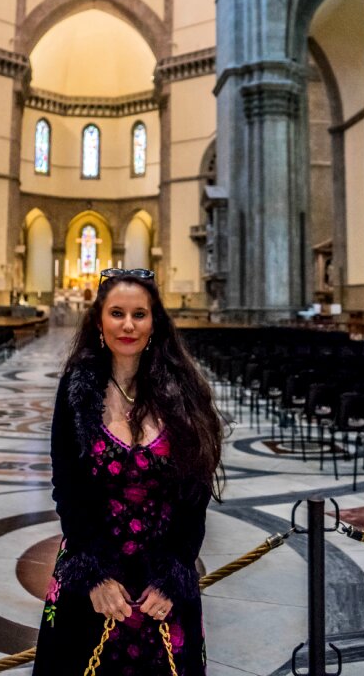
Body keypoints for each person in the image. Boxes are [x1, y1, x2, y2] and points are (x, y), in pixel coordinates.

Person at [33, 269, 222, 676]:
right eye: (117, 313)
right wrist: (95, 576)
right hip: (94, 573)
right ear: (99, 319)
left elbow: (196, 489)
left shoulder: (183, 391)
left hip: (162, 579)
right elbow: (66, 487)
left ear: (155, 322)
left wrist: (174, 573)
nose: (128, 325)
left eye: (140, 314)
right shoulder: (76, 391)